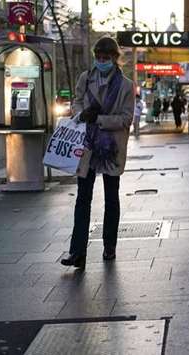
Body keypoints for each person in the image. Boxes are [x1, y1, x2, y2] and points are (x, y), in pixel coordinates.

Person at [61, 37, 134, 269]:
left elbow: (126, 118)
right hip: (88, 145)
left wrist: (99, 119)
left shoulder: (126, 85)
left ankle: (109, 246)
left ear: (115, 58)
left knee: (111, 198)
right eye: (98, 58)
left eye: (106, 58)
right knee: (83, 198)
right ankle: (77, 252)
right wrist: (82, 113)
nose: (101, 62)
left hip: (111, 146)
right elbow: (77, 102)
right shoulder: (86, 77)